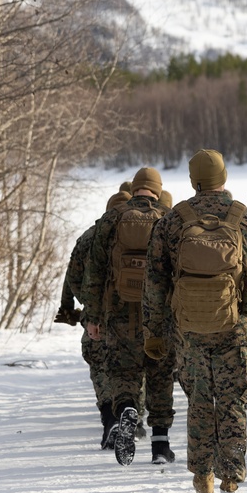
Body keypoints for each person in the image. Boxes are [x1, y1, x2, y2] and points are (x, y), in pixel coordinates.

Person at [143, 149, 247, 493]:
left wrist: (154, 330)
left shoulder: (173, 221)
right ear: (224, 178)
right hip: (236, 330)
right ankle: (230, 486)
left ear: (192, 180)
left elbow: (154, 281)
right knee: (232, 405)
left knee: (200, 400)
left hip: (188, 330)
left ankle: (201, 473)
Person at [81, 167, 176, 466]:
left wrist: (92, 317)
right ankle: (160, 445)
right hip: (158, 312)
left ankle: (125, 411)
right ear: (157, 190)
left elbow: (93, 272)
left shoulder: (111, 219)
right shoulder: (170, 219)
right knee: (160, 373)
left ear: (134, 189)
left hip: (118, 310)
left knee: (123, 371)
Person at [55, 188, 132, 449]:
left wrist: (80, 304)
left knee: (99, 365)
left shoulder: (89, 236)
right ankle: (131, 413)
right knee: (130, 367)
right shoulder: (134, 234)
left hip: (95, 316)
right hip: (130, 315)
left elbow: (72, 277)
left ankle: (109, 418)